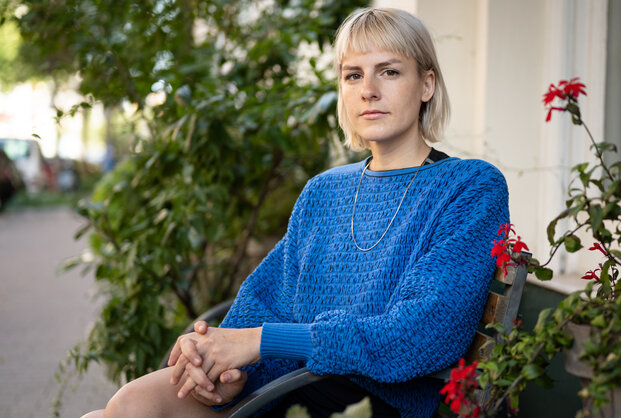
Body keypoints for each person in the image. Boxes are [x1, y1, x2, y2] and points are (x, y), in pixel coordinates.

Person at [83, 7, 508, 418]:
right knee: (123, 407)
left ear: (427, 84)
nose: (369, 90)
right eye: (353, 75)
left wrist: (262, 343)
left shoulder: (469, 187)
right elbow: (263, 304)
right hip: (287, 382)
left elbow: (422, 333)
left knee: (121, 411)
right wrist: (228, 374)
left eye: (390, 71)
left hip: (371, 400)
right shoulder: (325, 191)